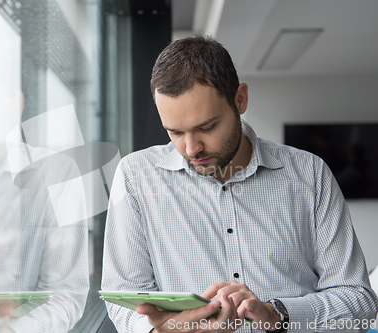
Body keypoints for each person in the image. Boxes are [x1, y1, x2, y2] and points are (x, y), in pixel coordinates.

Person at [101, 36, 378, 333]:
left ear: (240, 99)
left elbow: (359, 300)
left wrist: (278, 314)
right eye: (175, 132)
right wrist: (162, 331)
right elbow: (123, 299)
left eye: (206, 127)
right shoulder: (136, 176)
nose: (191, 148)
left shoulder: (309, 174)